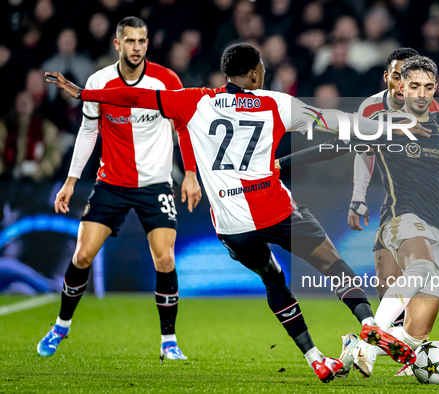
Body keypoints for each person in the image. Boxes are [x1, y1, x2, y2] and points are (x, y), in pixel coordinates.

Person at [45, 43, 418, 383]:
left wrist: (85, 93)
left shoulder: (194, 101)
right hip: (275, 209)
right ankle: (368, 322)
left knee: (273, 279)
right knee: (332, 264)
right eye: (262, 70)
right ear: (255, 73)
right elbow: (337, 121)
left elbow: (135, 96)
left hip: (232, 224)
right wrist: (391, 127)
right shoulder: (277, 103)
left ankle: (315, 357)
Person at [276, 48, 439, 377]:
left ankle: (353, 348)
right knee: (409, 275)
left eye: (424, 86)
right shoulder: (379, 119)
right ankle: (370, 340)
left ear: (433, 87)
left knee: (425, 322)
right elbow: (340, 145)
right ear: (396, 83)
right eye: (408, 83)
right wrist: (284, 163)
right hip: (403, 213)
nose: (413, 90)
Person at [37, 17, 201, 361]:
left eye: (142, 41)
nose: (137, 47)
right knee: (81, 255)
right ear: (118, 45)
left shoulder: (166, 80)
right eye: (130, 41)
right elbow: (87, 132)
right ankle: (61, 326)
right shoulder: (99, 81)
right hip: (110, 183)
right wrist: (70, 181)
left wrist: (189, 173)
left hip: (155, 184)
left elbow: (182, 127)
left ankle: (168, 342)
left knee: (165, 258)